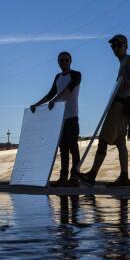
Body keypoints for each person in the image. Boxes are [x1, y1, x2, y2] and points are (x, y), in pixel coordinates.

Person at [78, 34, 130, 187]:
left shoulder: (129, 59)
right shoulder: (123, 63)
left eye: (119, 45)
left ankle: (92, 175)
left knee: (103, 140)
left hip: (119, 107)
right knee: (120, 142)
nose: (115, 48)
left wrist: (124, 81)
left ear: (126, 46)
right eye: (113, 46)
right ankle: (124, 177)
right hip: (120, 107)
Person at [30, 51, 82, 187]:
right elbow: (50, 94)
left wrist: (55, 99)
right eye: (61, 60)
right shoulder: (58, 77)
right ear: (58, 62)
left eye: (66, 60)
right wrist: (36, 104)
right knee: (63, 149)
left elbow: (68, 90)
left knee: (73, 147)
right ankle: (63, 177)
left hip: (71, 117)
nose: (64, 62)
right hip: (59, 120)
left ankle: (75, 177)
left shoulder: (76, 75)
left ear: (70, 61)